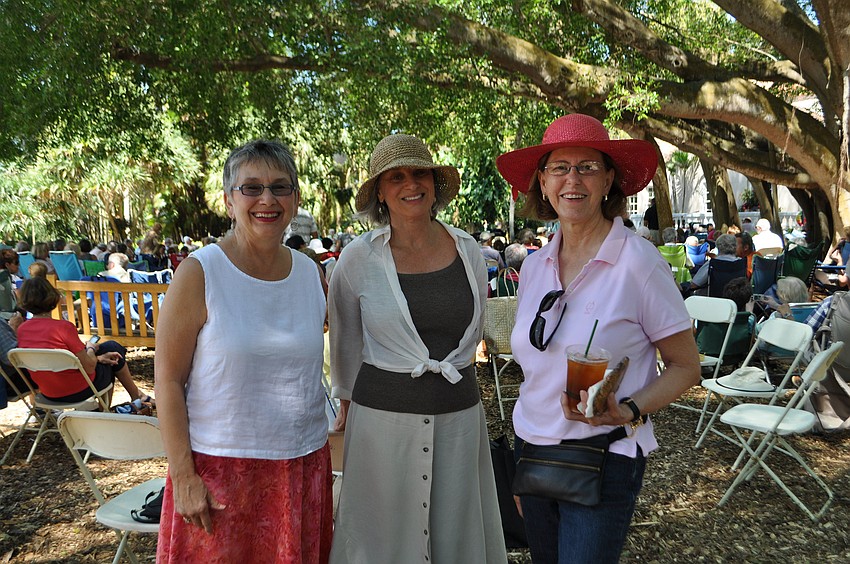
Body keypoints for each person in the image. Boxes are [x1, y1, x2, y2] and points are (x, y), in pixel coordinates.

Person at [495, 113, 699, 562]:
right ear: (543, 184)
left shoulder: (638, 263)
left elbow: (687, 366)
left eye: (587, 167)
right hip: (532, 451)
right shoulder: (533, 266)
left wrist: (626, 409)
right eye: (559, 168)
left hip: (604, 456)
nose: (573, 179)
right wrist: (518, 460)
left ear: (609, 179)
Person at [328, 133, 506, 563]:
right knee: (381, 538)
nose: (411, 185)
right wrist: (346, 403)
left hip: (460, 416)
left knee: (456, 532)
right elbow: (345, 339)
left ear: (434, 182)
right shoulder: (356, 259)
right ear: (381, 194)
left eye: (419, 172)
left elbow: (473, 328)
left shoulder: (468, 251)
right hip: (380, 425)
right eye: (396, 177)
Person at [154, 140, 332, 562]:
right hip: (219, 473)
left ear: (295, 198)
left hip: (302, 465)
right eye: (251, 187)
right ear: (228, 200)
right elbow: (167, 380)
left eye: (280, 187)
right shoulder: (200, 272)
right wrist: (183, 475)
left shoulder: (309, 273)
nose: (267, 199)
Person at [15, 277, 149, 405]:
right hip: (78, 390)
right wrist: (90, 348)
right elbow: (89, 367)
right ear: (52, 298)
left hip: (48, 392)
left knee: (109, 348)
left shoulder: (21, 330)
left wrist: (98, 357)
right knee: (113, 355)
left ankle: (135, 396)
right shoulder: (63, 328)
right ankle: (108, 409)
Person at [0, 250, 20, 320]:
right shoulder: (4, 278)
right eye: (16, 263)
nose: (19, 265)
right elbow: (8, 306)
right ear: (7, 265)